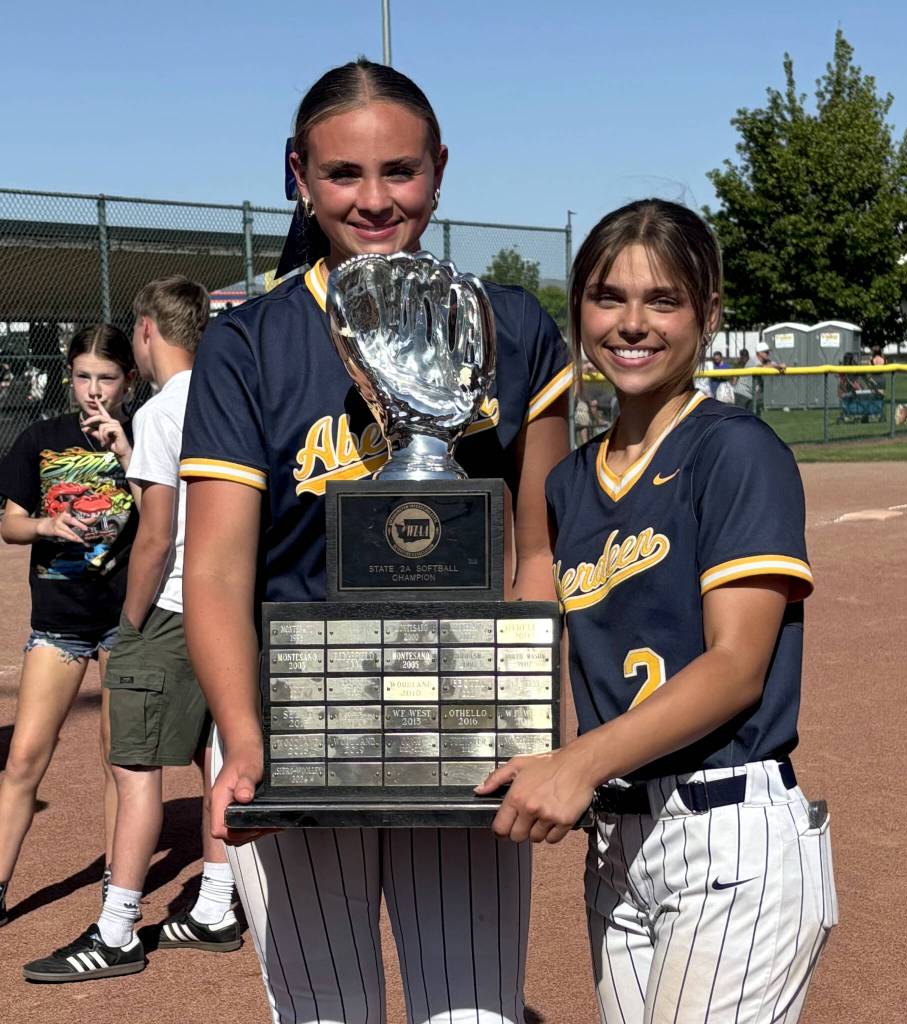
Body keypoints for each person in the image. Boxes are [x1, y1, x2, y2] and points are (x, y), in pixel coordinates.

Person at [179, 59, 571, 1023]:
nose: (374, 199)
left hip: (467, 729)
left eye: (400, 171)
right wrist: (241, 736)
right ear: (298, 176)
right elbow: (220, 566)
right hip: (301, 731)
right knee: (324, 1015)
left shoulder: (511, 327)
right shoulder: (250, 340)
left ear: (439, 168)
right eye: (343, 174)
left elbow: (537, 551)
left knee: (474, 1010)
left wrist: (529, 709)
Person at [478, 199, 837, 1021]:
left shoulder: (734, 452)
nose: (631, 324)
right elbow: (535, 612)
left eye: (663, 301)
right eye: (608, 298)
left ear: (707, 314)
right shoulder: (568, 483)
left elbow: (736, 668)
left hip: (728, 831)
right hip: (616, 842)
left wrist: (577, 763)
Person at [22, 278, 240, 982]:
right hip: (230, 606)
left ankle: (116, 929)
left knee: (135, 767)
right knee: (215, 758)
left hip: (171, 605)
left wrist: (133, 618)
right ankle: (215, 904)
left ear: (145, 331)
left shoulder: (164, 409)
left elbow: (155, 533)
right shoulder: (228, 395)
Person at [0, 325, 138, 926]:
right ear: (69, 376)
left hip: (123, 622)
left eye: (106, 378)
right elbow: (10, 524)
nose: (93, 389)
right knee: (25, 756)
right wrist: (47, 528)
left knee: (119, 758)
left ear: (128, 382)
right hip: (57, 623)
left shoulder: (145, 437)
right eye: (83, 376)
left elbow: (166, 510)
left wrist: (128, 450)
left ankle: (116, 882)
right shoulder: (39, 438)